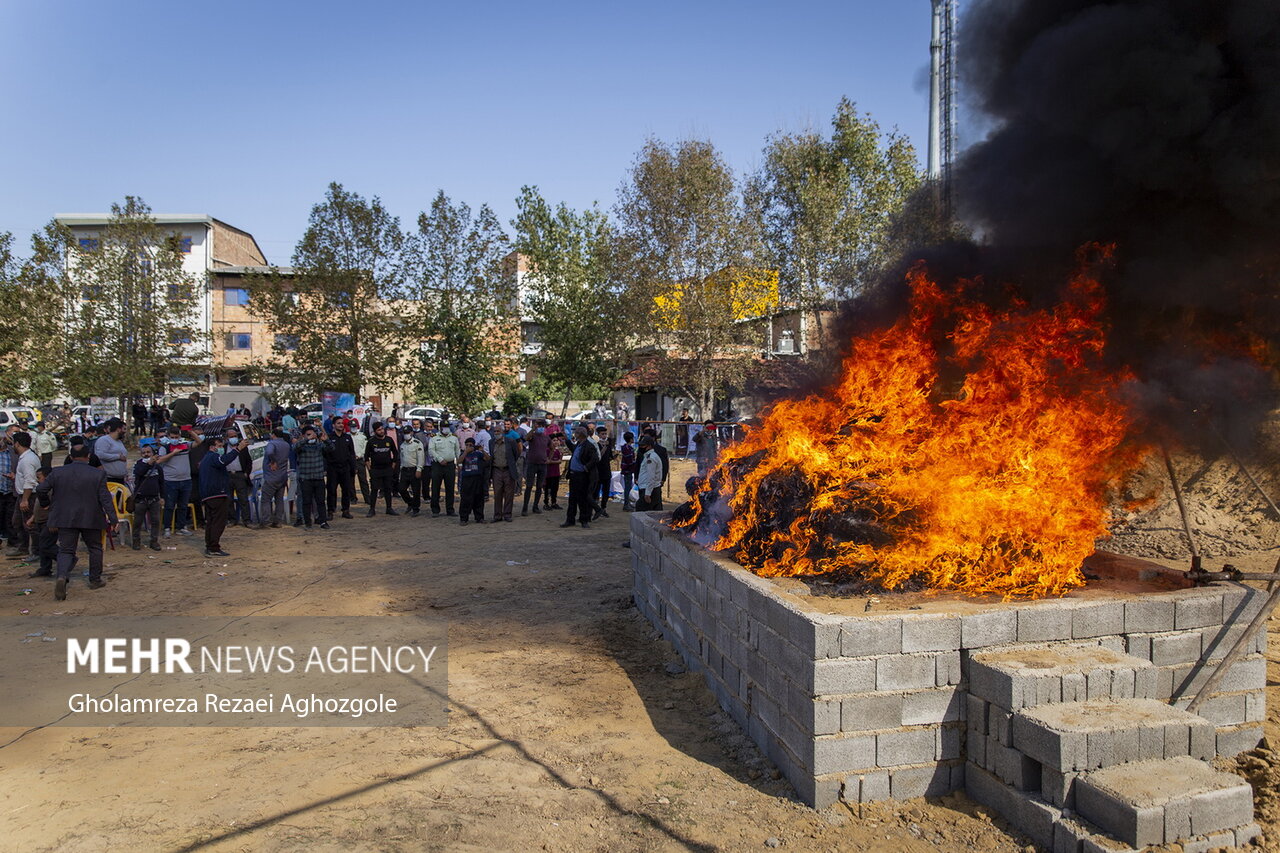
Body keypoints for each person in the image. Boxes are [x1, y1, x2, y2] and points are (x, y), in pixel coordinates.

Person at [37, 443, 117, 601]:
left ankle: (61, 576)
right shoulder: (97, 474)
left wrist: (47, 503)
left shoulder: (57, 472)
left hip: (65, 517)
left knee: (66, 550)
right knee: (94, 548)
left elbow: (41, 489)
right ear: (88, 457)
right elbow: (105, 498)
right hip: (91, 516)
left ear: (71, 457)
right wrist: (112, 518)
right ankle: (95, 580)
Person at [197, 434, 239, 556]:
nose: (221, 448)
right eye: (219, 446)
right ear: (212, 447)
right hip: (217, 494)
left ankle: (210, 546)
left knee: (211, 521)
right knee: (218, 522)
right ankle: (214, 548)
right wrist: (237, 449)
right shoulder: (213, 457)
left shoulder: (205, 459)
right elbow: (224, 461)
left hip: (208, 495)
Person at [157, 427, 194, 537]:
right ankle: (167, 527)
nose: (174, 439)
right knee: (169, 506)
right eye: (172, 437)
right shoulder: (165, 447)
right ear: (168, 437)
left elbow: (199, 442)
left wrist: (190, 432)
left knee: (183, 505)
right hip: (171, 481)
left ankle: (181, 527)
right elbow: (159, 460)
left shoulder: (185, 445)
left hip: (186, 480)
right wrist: (173, 453)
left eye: (176, 437)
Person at [560, 426, 599, 529]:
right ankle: (570, 520)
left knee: (582, 499)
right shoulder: (579, 445)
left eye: (576, 433)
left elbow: (595, 458)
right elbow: (573, 449)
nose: (575, 435)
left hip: (582, 476)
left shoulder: (589, 446)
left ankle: (584, 520)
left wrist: (586, 467)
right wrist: (566, 440)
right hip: (574, 475)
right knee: (572, 499)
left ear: (580, 434)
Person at [294, 425, 331, 529]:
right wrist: (306, 440)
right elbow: (294, 447)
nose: (311, 437)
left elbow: (331, 448)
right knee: (306, 501)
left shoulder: (319, 445)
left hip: (318, 478)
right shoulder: (301, 446)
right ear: (303, 435)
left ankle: (323, 521)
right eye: (308, 434)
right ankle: (307, 522)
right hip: (305, 478)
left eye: (312, 434)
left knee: (321, 501)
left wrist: (326, 440)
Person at [9, 431, 39, 558]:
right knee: (17, 522)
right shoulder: (26, 458)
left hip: (29, 496)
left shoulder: (27, 460)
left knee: (30, 524)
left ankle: (36, 552)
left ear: (17, 444)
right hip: (23, 495)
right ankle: (23, 547)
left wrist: (25, 500)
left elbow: (30, 481)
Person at [131, 443, 165, 550]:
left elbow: (161, 483)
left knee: (156, 521)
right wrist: (149, 464)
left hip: (154, 498)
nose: (146, 454)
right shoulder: (138, 464)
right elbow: (139, 473)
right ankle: (136, 541)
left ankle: (154, 541)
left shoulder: (158, 467)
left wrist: (162, 497)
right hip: (141, 499)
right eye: (144, 452)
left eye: (148, 452)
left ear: (152, 453)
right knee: (137, 522)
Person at [489, 420, 522, 523]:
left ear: (502, 432)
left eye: (498, 431)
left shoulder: (510, 441)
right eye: (495, 431)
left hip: (508, 470)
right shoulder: (491, 442)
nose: (497, 433)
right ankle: (497, 515)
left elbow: (516, 454)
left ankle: (507, 514)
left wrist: (511, 465)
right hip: (496, 470)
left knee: (509, 493)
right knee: (497, 493)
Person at [364, 422, 399, 516]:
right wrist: (370, 469)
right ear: (375, 431)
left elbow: (395, 454)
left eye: (382, 429)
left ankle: (389, 508)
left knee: (388, 488)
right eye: (379, 430)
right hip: (375, 470)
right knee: (374, 489)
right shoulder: (371, 441)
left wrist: (393, 466)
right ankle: (372, 509)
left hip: (387, 469)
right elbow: (366, 457)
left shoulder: (389, 440)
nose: (381, 431)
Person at [259, 428, 291, 528]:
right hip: (282, 476)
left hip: (271, 476)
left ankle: (266, 521)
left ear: (273, 435)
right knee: (279, 500)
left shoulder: (272, 444)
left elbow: (269, 452)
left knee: (266, 499)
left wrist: (273, 461)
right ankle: (278, 521)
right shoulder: (286, 444)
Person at [326, 417, 357, 519]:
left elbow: (352, 453)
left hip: (345, 468)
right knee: (331, 490)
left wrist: (353, 467)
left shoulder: (347, 437)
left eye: (342, 423)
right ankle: (330, 510)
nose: (341, 425)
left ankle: (346, 510)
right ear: (333, 425)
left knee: (346, 490)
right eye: (338, 423)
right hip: (333, 468)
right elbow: (325, 453)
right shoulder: (329, 437)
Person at [223, 428, 253, 527]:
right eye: (231, 436)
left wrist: (246, 473)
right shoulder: (223, 448)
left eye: (235, 436)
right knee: (228, 499)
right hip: (227, 475)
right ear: (227, 438)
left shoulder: (243, 447)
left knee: (243, 499)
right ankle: (232, 519)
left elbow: (249, 461)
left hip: (240, 475)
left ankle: (247, 520)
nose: (233, 438)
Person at [428, 425, 460, 517]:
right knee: (435, 487)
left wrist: (459, 463)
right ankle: (435, 510)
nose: (446, 428)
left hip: (450, 465)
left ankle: (450, 510)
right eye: (444, 426)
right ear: (440, 428)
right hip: (437, 465)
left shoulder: (454, 438)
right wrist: (439, 459)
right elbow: (431, 450)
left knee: (450, 488)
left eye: (447, 426)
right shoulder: (434, 438)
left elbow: (457, 451)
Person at [457, 437, 489, 525]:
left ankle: (479, 517)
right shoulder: (463, 454)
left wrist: (482, 450)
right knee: (465, 499)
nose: (468, 446)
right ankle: (464, 518)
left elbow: (488, 459)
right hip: (467, 479)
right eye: (467, 445)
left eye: (470, 445)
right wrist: (465, 452)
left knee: (478, 498)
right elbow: (459, 462)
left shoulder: (478, 454)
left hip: (477, 478)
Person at [521, 420, 549, 516]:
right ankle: (525, 507)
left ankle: (535, 506)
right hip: (532, 463)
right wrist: (533, 429)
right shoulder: (533, 436)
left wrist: (548, 458)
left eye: (542, 426)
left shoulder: (546, 437)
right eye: (539, 425)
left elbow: (552, 447)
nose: (541, 427)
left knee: (539, 486)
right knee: (529, 486)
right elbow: (526, 438)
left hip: (542, 464)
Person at [397, 426, 425, 517]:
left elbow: (421, 457)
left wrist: (419, 469)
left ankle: (416, 509)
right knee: (401, 489)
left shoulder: (417, 443)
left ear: (412, 433)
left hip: (414, 469)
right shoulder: (402, 445)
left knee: (416, 490)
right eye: (405, 433)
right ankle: (410, 503)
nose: (406, 435)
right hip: (405, 470)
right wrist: (401, 469)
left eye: (408, 433)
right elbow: (402, 458)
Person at [95, 418, 129, 485]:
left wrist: (125, 473)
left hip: (120, 479)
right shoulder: (104, 440)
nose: (125, 431)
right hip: (109, 479)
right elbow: (100, 455)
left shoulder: (119, 442)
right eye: (123, 429)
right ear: (118, 429)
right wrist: (118, 457)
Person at [635, 435, 665, 510]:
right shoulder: (648, 456)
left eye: (643, 445)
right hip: (650, 488)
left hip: (650, 490)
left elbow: (651, 477)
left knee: (642, 513)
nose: (641, 447)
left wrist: (647, 493)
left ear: (649, 446)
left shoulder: (651, 458)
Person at [593, 425, 614, 519]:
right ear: (598, 434)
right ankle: (596, 509)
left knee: (606, 492)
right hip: (598, 471)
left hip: (606, 471)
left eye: (605, 433)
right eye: (602, 434)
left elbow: (610, 457)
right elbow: (597, 458)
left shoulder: (608, 444)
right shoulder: (596, 445)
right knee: (596, 491)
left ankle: (603, 508)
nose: (604, 435)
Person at [350, 425, 371, 504]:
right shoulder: (347, 436)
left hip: (360, 460)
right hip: (351, 461)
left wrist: (360, 455)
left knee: (363, 480)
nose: (353, 428)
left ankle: (367, 498)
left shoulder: (362, 436)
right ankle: (353, 498)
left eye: (354, 426)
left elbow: (365, 447)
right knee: (350, 481)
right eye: (352, 427)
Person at [544, 429, 564, 510]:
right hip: (549, 473)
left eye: (557, 440)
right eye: (554, 440)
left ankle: (554, 502)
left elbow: (559, 461)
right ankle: (546, 503)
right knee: (547, 489)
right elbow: (547, 461)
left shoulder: (558, 451)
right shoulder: (547, 450)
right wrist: (556, 461)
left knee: (555, 489)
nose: (556, 442)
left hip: (556, 473)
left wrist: (558, 460)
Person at [619, 431, 637, 511]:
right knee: (627, 488)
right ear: (630, 439)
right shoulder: (628, 449)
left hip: (627, 470)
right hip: (628, 470)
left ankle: (627, 504)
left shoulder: (626, 448)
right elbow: (630, 461)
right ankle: (626, 505)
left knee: (628, 487)